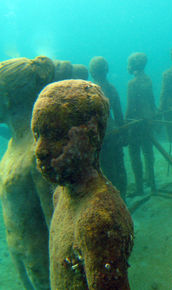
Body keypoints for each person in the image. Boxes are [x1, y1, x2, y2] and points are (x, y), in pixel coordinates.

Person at [32, 79, 134, 290]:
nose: (39, 150)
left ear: (92, 135)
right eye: (37, 135)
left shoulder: (98, 221)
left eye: (55, 135)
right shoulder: (60, 194)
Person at [0, 56, 55, 289]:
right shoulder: (13, 145)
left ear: (7, 98)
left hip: (41, 258)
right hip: (20, 250)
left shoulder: (36, 152)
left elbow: (54, 220)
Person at [89, 56, 127, 199]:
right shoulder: (111, 89)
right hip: (115, 132)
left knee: (108, 170)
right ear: (106, 70)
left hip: (103, 135)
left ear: (92, 72)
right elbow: (119, 114)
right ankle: (123, 196)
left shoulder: (92, 91)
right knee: (120, 166)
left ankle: (115, 200)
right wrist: (123, 133)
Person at [126, 52, 157, 195]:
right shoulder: (148, 79)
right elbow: (152, 102)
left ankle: (139, 187)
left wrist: (125, 124)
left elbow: (131, 106)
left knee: (134, 154)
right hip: (148, 120)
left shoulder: (132, 84)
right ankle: (151, 180)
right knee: (148, 151)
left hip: (136, 123)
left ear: (133, 65)